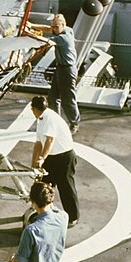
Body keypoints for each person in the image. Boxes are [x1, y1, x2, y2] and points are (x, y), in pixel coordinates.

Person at [30, 95, 80, 227]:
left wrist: (41, 159)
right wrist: (34, 162)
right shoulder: (41, 119)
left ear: (33, 109)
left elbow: (49, 140)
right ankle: (44, 212)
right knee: (44, 187)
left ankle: (73, 217)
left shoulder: (50, 118)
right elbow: (38, 143)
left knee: (66, 188)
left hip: (64, 157)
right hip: (52, 157)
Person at [30, 13, 80, 134]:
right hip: (60, 68)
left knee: (68, 99)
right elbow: (48, 29)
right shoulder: (67, 30)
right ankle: (57, 123)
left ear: (63, 25)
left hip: (68, 70)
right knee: (53, 98)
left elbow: (45, 41)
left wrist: (28, 35)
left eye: (56, 27)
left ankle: (74, 123)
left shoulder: (63, 38)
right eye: (53, 26)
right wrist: (32, 25)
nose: (53, 29)